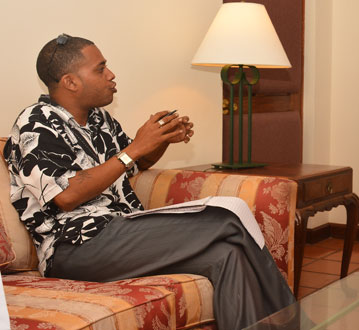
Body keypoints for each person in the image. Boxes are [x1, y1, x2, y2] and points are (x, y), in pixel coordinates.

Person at [3, 34, 295, 330]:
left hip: (123, 230)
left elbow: (133, 166)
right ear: (70, 82)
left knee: (227, 254)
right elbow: (65, 196)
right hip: (75, 248)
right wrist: (135, 148)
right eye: (100, 69)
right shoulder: (35, 123)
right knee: (227, 216)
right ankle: (296, 323)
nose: (111, 74)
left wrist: (160, 139)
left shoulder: (100, 120)